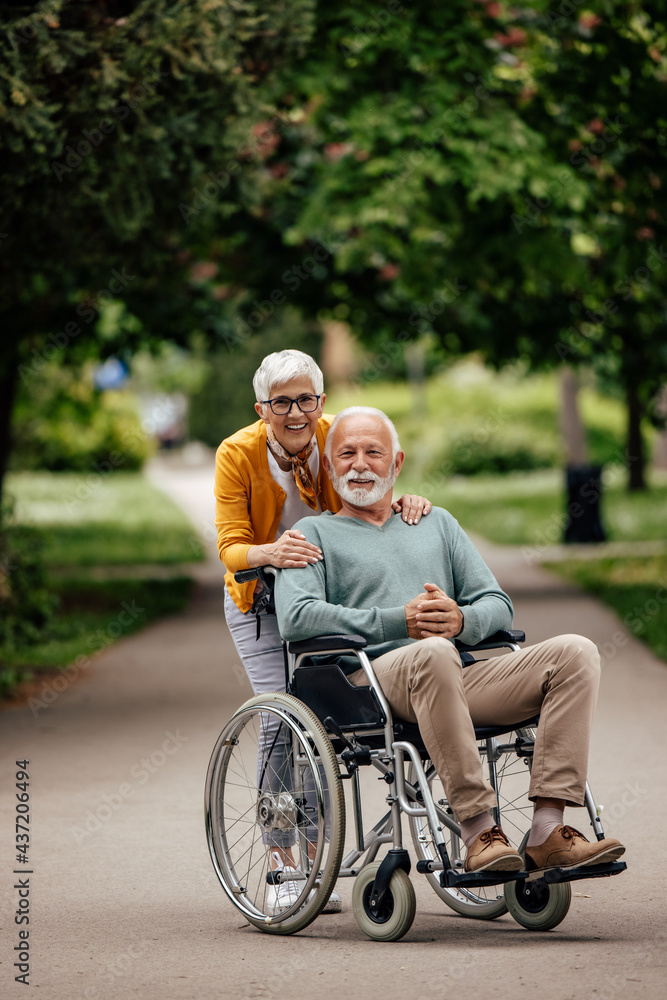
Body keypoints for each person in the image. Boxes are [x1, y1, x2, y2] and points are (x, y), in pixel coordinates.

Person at [274, 406, 626, 875]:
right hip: (369, 684)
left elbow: (497, 603)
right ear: (330, 464)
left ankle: (548, 830)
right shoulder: (311, 533)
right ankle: (479, 830)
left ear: (396, 463)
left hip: (454, 675)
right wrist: (400, 622)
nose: (360, 464)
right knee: (434, 652)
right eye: (347, 453)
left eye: (373, 452)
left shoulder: (436, 523)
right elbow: (296, 619)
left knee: (576, 652)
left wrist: (460, 621)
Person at [214, 351, 431, 910]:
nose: (294, 412)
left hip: (326, 598)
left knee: (331, 725)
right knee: (284, 723)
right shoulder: (237, 455)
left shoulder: (338, 436)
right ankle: (284, 864)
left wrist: (404, 499)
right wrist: (273, 552)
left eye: (304, 399)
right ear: (261, 407)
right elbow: (230, 547)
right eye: (281, 402)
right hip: (259, 603)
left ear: (321, 402)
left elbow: (368, 488)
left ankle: (320, 856)